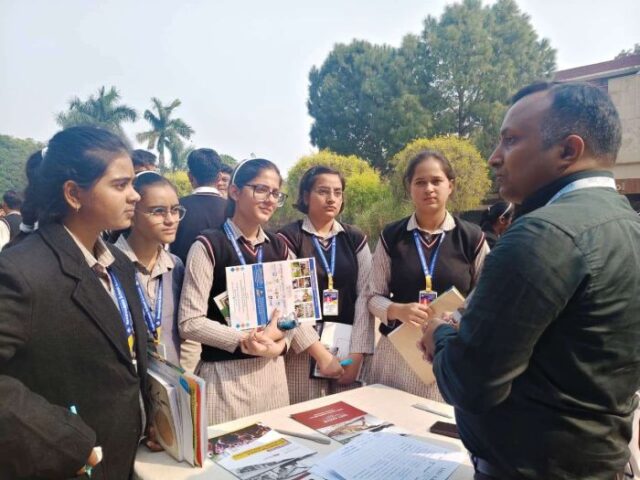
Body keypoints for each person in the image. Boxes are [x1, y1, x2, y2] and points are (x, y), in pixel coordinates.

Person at [420, 82, 640, 480]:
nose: (494, 157)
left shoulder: (541, 235)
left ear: (568, 151)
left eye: (510, 140)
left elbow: (470, 384)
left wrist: (439, 334)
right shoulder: (628, 225)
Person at [0, 126, 158, 479]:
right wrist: (65, 441)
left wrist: (153, 415)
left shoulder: (118, 264)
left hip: (126, 456)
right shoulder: (21, 271)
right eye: (120, 185)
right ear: (74, 193)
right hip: (68, 465)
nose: (135, 196)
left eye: (133, 184)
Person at [178, 159, 319, 424]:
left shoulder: (280, 247)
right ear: (234, 191)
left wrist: (280, 345)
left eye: (275, 193)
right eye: (261, 189)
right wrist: (245, 340)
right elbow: (190, 322)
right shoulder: (208, 245)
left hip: (273, 380)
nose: (270, 199)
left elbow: (298, 313)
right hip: (225, 383)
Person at [367, 150, 489, 402]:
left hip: (448, 350)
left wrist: (458, 318)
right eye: (420, 182)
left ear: (450, 185)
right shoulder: (392, 236)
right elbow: (373, 296)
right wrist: (397, 310)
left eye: (436, 181)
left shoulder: (472, 237)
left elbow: (488, 291)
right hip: (397, 355)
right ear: (409, 188)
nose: (429, 189)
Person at [278, 166, 373, 403]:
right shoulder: (289, 239)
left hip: (348, 347)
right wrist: (320, 354)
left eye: (337, 192)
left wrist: (357, 354)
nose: (332, 198)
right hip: (303, 352)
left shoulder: (354, 238)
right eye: (323, 191)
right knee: (305, 417)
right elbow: (291, 304)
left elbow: (366, 297)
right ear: (305, 196)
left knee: (348, 418)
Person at [114, 171, 186, 365]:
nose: (170, 220)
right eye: (158, 211)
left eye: (175, 210)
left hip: (169, 379)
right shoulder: (107, 266)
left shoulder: (175, 267)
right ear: (131, 213)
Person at [171, 148, 226, 371]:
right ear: (220, 177)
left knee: (188, 380)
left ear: (190, 176)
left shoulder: (176, 209)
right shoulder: (233, 210)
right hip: (227, 314)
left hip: (185, 309)